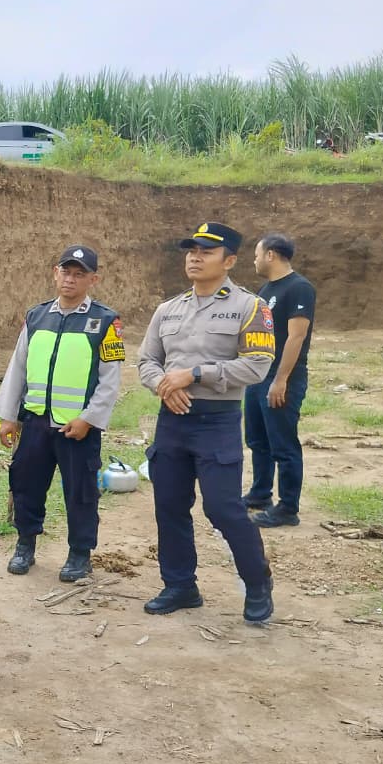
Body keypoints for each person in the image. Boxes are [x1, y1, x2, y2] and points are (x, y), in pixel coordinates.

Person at [136, 222, 276, 624]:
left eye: (205, 252)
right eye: (191, 251)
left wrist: (195, 374)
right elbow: (147, 360)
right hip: (173, 421)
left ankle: (257, 583)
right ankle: (180, 585)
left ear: (229, 261)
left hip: (217, 422)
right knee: (170, 505)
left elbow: (257, 365)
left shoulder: (250, 307)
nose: (194, 258)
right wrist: (164, 385)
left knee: (223, 508)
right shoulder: (168, 309)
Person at [0, 245, 124, 583]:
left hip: (77, 428)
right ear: (55, 273)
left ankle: (80, 553)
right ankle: (25, 544)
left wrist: (88, 419)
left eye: (80, 274)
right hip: (35, 422)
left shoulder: (106, 322)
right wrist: (9, 416)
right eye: (66, 272)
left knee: (81, 492)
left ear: (93, 279)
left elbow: (110, 380)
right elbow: (17, 368)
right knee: (26, 485)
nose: (70, 279)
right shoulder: (36, 317)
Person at [244, 233, 315, 528]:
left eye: (257, 254)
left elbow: (296, 336)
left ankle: (288, 508)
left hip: (281, 378)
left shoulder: (299, 288)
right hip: (258, 376)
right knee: (257, 440)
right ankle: (260, 494)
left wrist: (281, 379)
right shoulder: (266, 289)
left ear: (271, 254)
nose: (255, 260)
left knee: (283, 444)